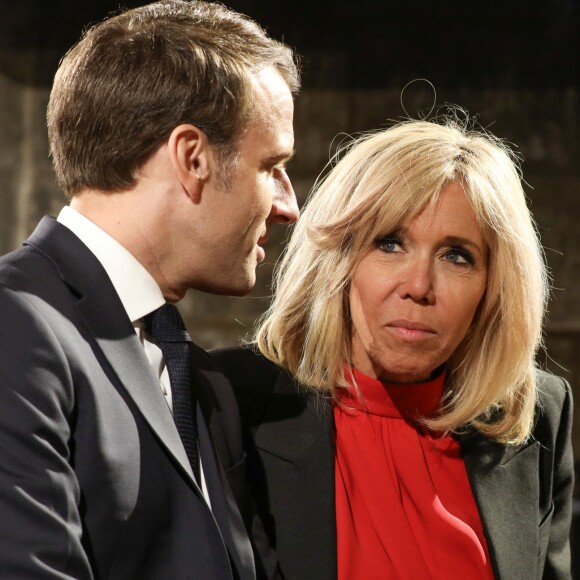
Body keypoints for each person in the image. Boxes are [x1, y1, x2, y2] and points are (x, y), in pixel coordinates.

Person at [0, 1, 299, 578]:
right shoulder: (16, 326)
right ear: (193, 158)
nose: (289, 204)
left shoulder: (199, 376)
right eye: (272, 165)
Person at [214, 116, 574, 580]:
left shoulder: (537, 413)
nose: (419, 286)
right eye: (389, 244)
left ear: (494, 287)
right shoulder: (230, 400)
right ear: (338, 260)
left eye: (456, 256)